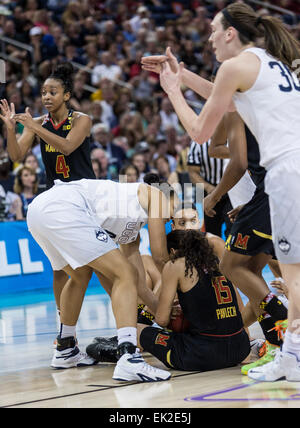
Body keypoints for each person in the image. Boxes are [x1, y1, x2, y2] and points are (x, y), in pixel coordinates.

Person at [141, 2, 300, 381]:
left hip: (287, 171)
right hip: (294, 167)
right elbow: (228, 97)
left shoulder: (236, 65)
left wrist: (171, 89)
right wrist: (185, 76)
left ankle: (291, 355)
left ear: (231, 32)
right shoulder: (267, 62)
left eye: (214, 30)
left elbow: (199, 132)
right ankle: (291, 355)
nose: (210, 37)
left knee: (289, 274)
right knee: (289, 271)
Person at [27, 177, 177, 381]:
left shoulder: (131, 231)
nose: (171, 219)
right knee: (123, 273)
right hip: (63, 207)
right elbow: (160, 256)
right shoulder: (155, 195)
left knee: (81, 274)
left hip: (39, 211)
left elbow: (138, 287)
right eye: (174, 210)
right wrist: (178, 293)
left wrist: (163, 314)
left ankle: (66, 348)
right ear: (169, 197)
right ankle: (129, 357)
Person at [0, 62, 96, 365]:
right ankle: (66, 336)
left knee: (96, 269)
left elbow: (67, 147)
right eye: (43, 92)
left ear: (66, 94)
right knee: (59, 270)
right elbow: (16, 156)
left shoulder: (83, 119)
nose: (46, 97)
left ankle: (128, 327)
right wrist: (10, 127)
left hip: (85, 199)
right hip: (56, 202)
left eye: (53, 92)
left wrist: (34, 127)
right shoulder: (38, 123)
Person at [203, 112, 288, 376]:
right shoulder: (267, 107)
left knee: (230, 267)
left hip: (269, 194)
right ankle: (276, 346)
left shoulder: (236, 107)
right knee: (251, 274)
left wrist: (214, 197)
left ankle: (286, 328)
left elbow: (237, 163)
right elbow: (218, 148)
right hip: (279, 193)